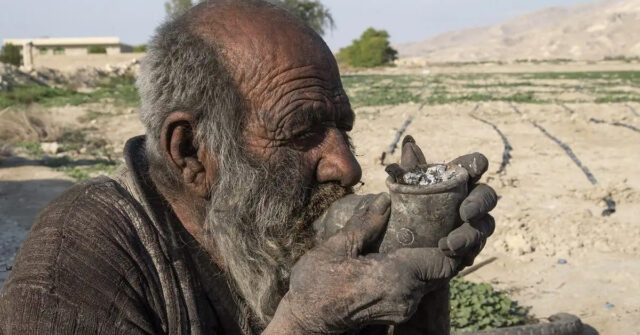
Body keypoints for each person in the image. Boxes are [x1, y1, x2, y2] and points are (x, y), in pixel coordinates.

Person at [0, 1, 497, 334]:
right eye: (300, 132)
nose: (347, 166)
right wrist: (303, 324)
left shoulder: (271, 227)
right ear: (192, 153)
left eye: (342, 128)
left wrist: (423, 265)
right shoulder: (78, 257)